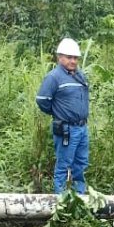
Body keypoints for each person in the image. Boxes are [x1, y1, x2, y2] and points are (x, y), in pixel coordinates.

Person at [36, 38, 90, 194]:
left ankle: (78, 198)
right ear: (60, 57)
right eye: (69, 57)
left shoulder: (80, 76)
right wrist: (58, 113)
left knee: (81, 164)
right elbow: (42, 100)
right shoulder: (54, 77)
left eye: (75, 58)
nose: (73, 61)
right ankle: (59, 201)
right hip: (66, 129)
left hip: (82, 128)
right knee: (64, 164)